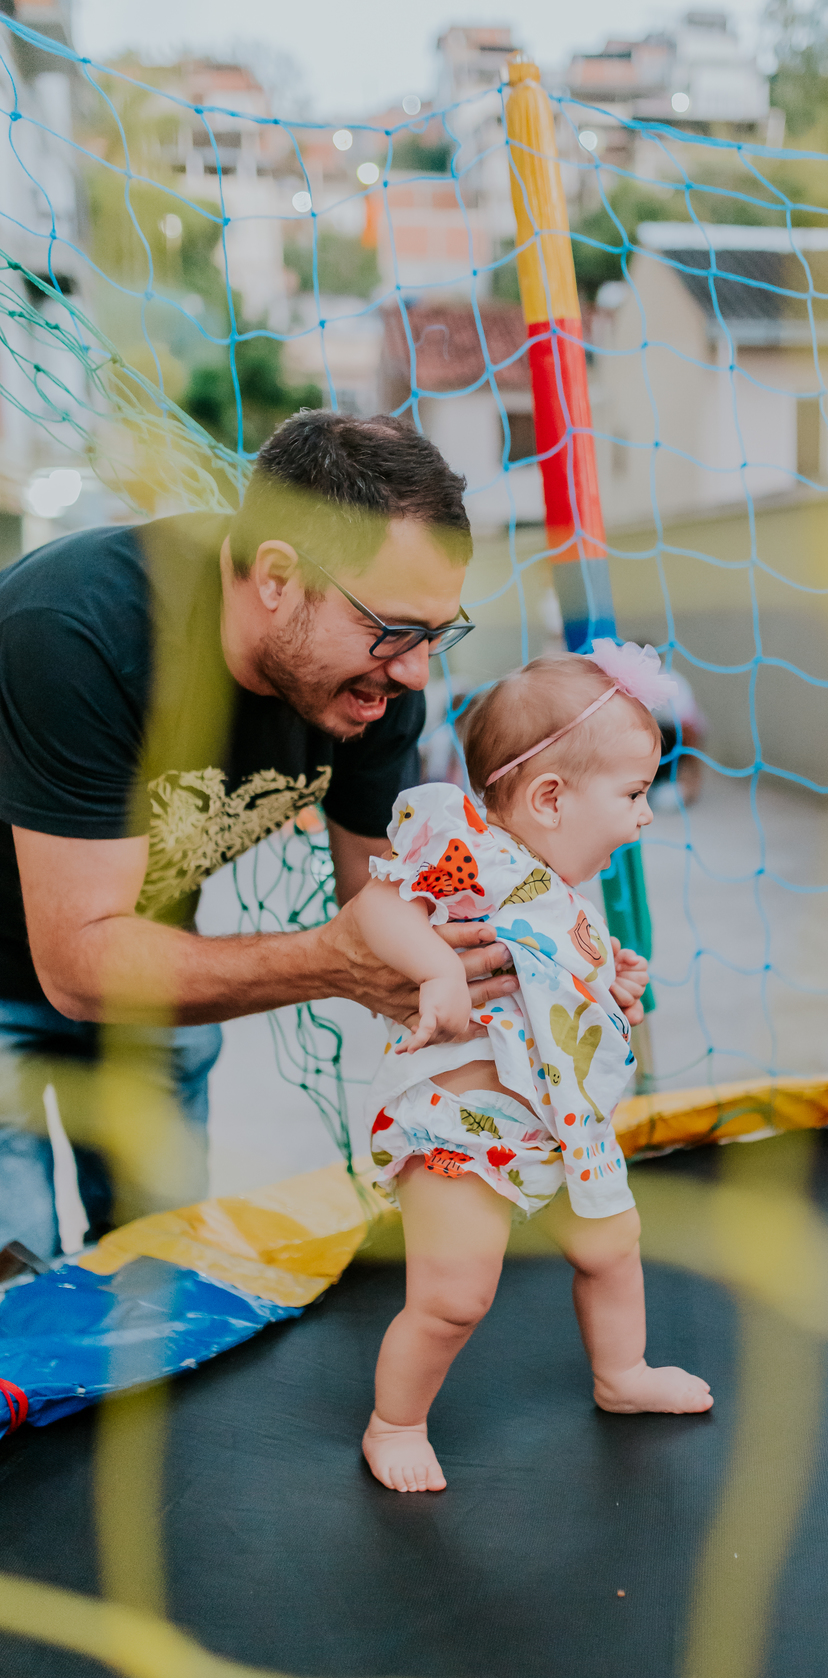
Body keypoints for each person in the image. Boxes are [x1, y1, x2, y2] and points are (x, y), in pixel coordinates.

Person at [0, 410, 522, 1264]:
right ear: (277, 576)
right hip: (41, 973)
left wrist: (543, 958)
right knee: (14, 1303)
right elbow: (78, 966)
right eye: (393, 630)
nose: (417, 670)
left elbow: (386, 907)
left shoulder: (378, 687)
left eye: (436, 634)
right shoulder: (76, 631)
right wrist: (329, 961)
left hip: (148, 975)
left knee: (151, 1276)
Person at [356, 639, 714, 1495]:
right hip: (463, 1132)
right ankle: (393, 1422)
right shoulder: (468, 852)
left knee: (613, 1247)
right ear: (551, 798)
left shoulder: (559, 894)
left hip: (559, 1131)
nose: (647, 814)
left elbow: (564, 1001)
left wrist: (614, 987)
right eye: (633, 794)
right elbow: (376, 906)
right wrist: (439, 970)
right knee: (453, 1298)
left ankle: (620, 1374)